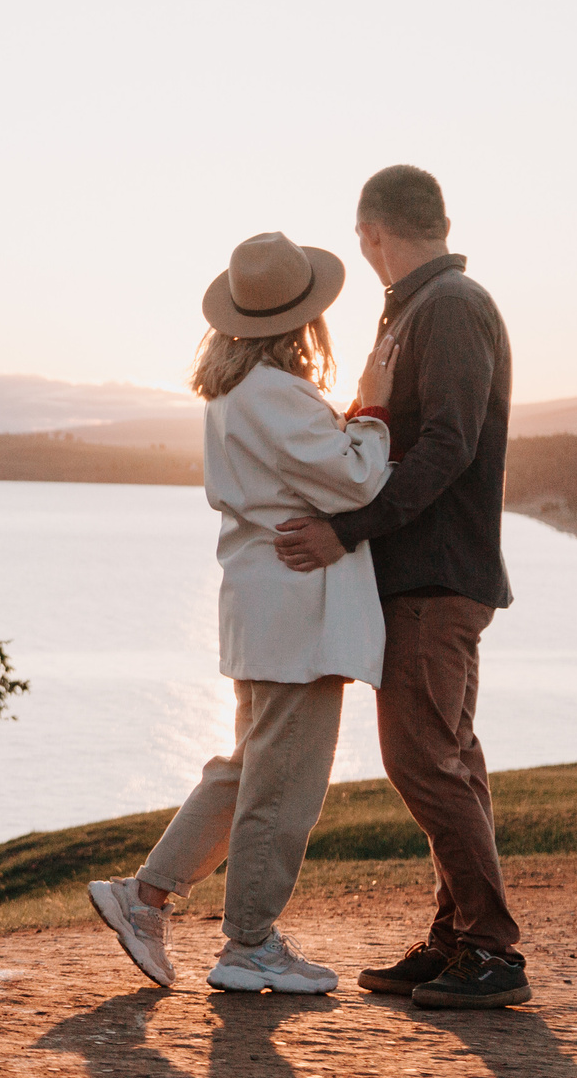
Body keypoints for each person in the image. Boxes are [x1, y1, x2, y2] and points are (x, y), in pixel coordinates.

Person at [88, 230, 394, 994]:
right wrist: (374, 411)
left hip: (264, 606)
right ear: (304, 322)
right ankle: (249, 941)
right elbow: (355, 479)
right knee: (284, 785)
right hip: (296, 613)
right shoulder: (276, 394)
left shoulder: (234, 393)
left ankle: (145, 895)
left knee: (249, 768)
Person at [270, 165, 529, 1010]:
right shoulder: (424, 306)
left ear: (372, 232)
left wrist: (348, 529)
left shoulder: (449, 308)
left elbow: (449, 444)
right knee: (449, 755)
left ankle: (491, 950)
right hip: (429, 572)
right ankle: (457, 939)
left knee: (421, 758)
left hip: (435, 574)